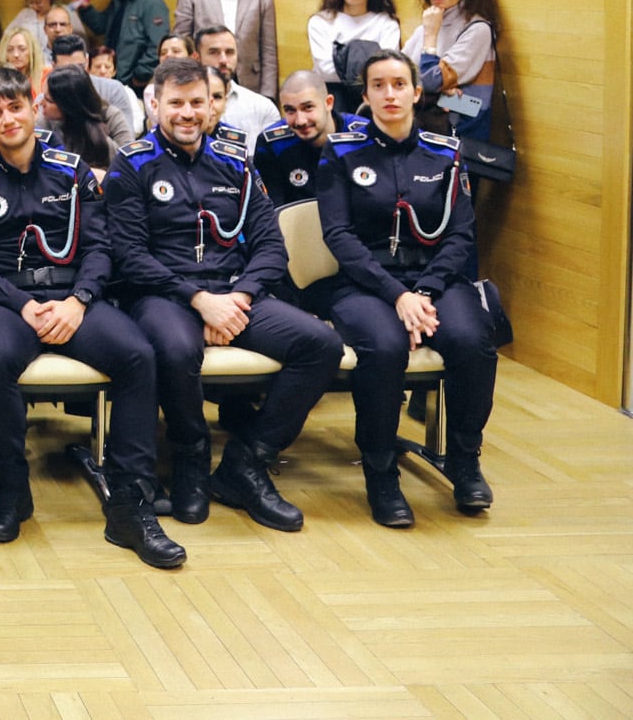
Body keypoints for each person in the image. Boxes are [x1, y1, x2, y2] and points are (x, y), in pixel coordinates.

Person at [0, 66, 185, 567]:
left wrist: (78, 300)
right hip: (11, 301)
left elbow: (101, 246)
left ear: (34, 107)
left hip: (73, 297)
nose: (8, 119)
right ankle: (12, 490)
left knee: (139, 355)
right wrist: (23, 305)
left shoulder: (71, 169)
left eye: (15, 107)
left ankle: (129, 504)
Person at [106, 58, 342, 532]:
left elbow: (271, 245)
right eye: (176, 103)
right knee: (175, 348)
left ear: (214, 105)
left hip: (236, 294)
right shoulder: (131, 165)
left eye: (199, 102)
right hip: (163, 295)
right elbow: (128, 255)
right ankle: (190, 461)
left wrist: (241, 296)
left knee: (322, 345)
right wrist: (198, 300)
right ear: (155, 105)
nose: (188, 113)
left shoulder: (235, 161)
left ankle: (246, 460)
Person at [317, 50, 498, 524]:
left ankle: (464, 461)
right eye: (379, 85)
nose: (389, 93)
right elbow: (338, 236)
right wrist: (396, 296)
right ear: (366, 94)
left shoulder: (445, 152)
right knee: (383, 345)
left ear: (417, 92)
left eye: (399, 84)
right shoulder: (339, 153)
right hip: (365, 284)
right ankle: (381, 474)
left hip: (434, 282)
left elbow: (461, 233)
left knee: (472, 340)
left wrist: (425, 292)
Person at [402, 0, 499, 142]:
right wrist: (436, 93)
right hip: (422, 128)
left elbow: (471, 103)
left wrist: (435, 93)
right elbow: (397, 73)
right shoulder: (430, 22)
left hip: (458, 137)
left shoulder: (478, 29)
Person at [175, 0, 279, 95]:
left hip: (249, 82)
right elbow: (183, 45)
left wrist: (269, 94)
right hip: (205, 80)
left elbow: (269, 50)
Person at [252, 71, 365, 207]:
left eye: (308, 108)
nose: (300, 121)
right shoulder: (272, 144)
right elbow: (271, 210)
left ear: (329, 103)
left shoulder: (363, 135)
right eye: (290, 110)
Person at [307, 0, 401, 108]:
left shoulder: (386, 23)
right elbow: (326, 71)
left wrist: (342, 56)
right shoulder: (321, 22)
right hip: (332, 94)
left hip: (374, 95)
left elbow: (386, 67)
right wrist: (367, 58)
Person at [71, 0, 172, 92]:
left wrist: (139, 76)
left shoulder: (152, 4)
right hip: (114, 78)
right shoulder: (118, 1)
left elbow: (157, 45)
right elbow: (100, 26)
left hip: (135, 83)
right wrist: (86, 8)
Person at [48, 34, 141, 142]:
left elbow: (127, 144)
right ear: (54, 67)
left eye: (79, 67)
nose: (74, 75)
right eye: (66, 70)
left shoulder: (113, 90)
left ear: (87, 62)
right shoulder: (48, 98)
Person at [195, 26, 278, 141]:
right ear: (196, 58)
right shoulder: (184, 109)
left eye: (230, 52)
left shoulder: (262, 107)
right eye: (214, 52)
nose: (223, 60)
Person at [39, 65, 116, 176]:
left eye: (49, 100)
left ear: (68, 105)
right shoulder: (42, 124)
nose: (41, 103)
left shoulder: (109, 120)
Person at [0, 27, 47, 103]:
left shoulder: (47, 76)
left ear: (32, 51)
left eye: (22, 49)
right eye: (10, 50)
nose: (16, 55)